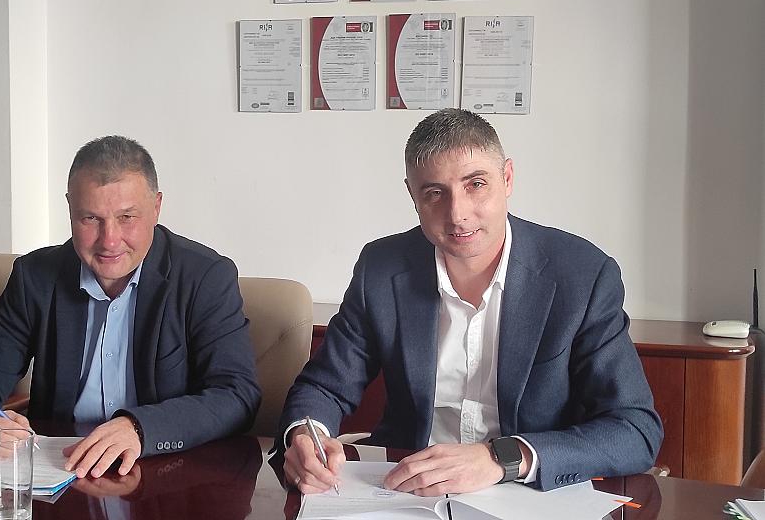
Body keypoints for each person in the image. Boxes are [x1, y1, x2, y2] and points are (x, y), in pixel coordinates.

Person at [278, 109, 663, 494]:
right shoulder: (381, 268)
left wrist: (502, 457)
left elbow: (634, 429)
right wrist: (306, 435)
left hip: (527, 490)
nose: (457, 214)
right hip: (407, 489)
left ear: (507, 178)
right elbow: (325, 387)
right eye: (434, 193)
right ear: (413, 195)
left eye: (475, 184)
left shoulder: (581, 275)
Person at [0, 135, 260, 479]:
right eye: (91, 218)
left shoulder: (204, 277)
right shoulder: (35, 278)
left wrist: (140, 428)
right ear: (70, 208)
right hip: (61, 473)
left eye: (126, 217)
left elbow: (237, 395)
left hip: (166, 476)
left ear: (156, 207)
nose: (110, 240)